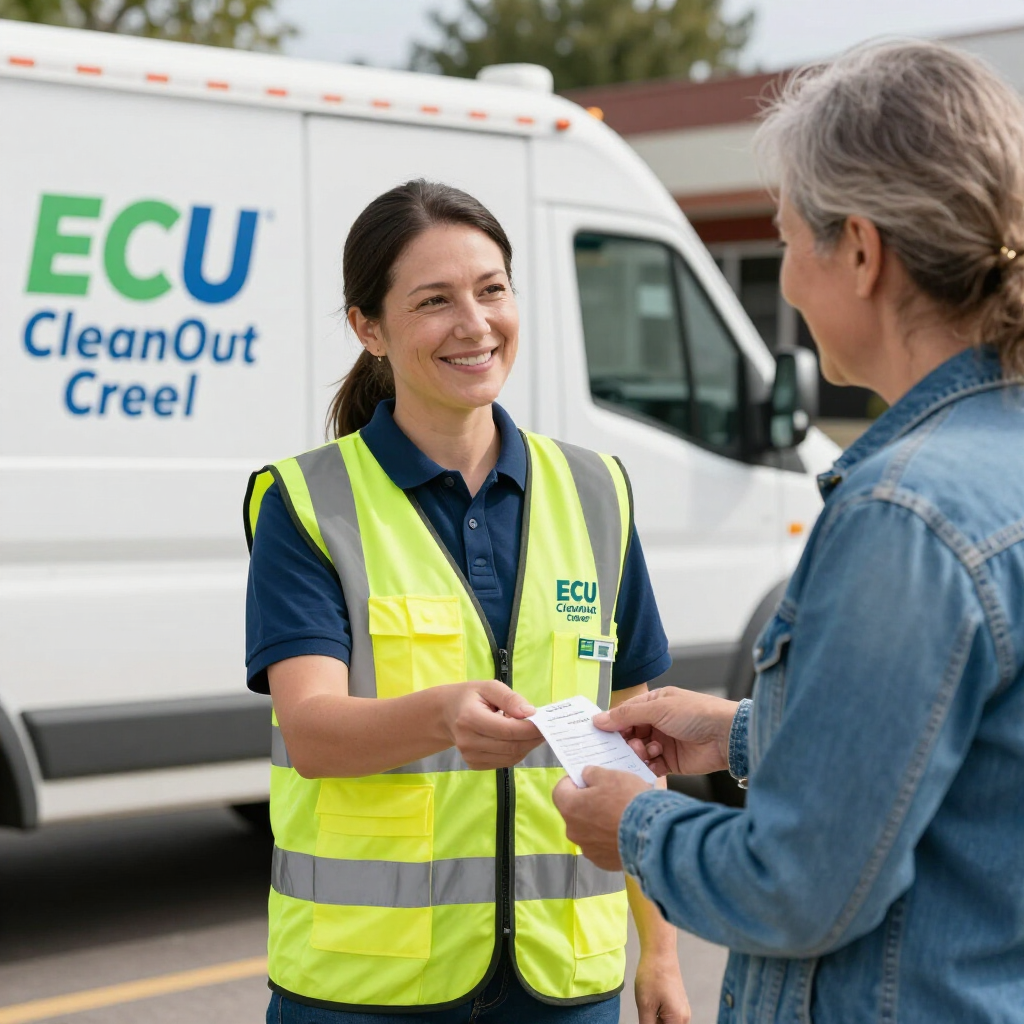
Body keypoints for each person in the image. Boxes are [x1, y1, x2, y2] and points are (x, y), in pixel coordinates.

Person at [552, 40, 1024, 1023]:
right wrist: (738, 733)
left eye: (784, 241)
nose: (789, 285)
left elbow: (796, 885)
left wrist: (633, 823)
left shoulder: (903, 513)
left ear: (858, 249)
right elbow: (973, 757)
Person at [244, 180, 690, 1023]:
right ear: (368, 328)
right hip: (366, 990)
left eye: (492, 290)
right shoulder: (307, 503)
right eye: (434, 301)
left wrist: (660, 951)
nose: (475, 323)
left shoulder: (597, 492)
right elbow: (311, 733)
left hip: (564, 984)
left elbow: (639, 736)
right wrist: (444, 714)